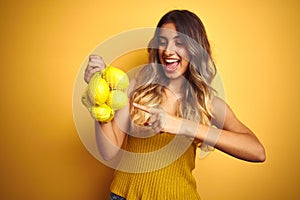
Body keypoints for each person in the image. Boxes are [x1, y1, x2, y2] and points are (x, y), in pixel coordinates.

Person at [84, 9, 266, 200]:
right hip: (125, 196)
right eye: (162, 42)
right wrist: (99, 94)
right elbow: (108, 151)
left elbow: (257, 151)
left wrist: (180, 125)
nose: (168, 51)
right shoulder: (138, 86)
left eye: (179, 43)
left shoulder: (207, 103)